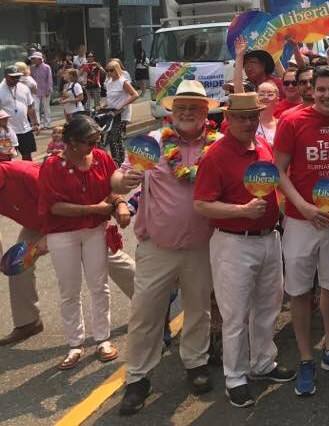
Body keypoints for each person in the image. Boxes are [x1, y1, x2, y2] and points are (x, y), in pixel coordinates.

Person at [113, 80, 222, 414]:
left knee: (199, 309)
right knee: (145, 313)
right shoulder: (154, 143)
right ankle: (137, 377)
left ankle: (195, 363)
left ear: (205, 113)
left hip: (202, 246)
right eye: (181, 108)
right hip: (157, 247)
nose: (187, 113)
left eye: (194, 108)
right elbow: (118, 178)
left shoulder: (218, 145)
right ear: (171, 112)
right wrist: (123, 183)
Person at [193, 92, 295, 408]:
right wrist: (241, 211)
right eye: (241, 117)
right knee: (235, 315)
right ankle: (235, 378)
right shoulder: (215, 155)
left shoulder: (261, 144)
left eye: (252, 116)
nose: (248, 122)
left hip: (268, 238)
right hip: (233, 242)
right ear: (228, 119)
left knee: (268, 305)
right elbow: (201, 204)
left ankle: (262, 362)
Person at [274, 66, 329, 395]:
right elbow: (279, 171)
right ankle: (306, 358)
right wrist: (304, 207)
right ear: (312, 90)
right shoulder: (292, 121)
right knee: (298, 291)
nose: (326, 95)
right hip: (300, 220)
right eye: (321, 89)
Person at [0, 158, 136, 347]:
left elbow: (67, 200)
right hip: (38, 223)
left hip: (76, 214)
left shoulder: (24, 174)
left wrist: (49, 238)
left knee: (109, 258)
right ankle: (28, 322)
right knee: (16, 263)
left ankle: (154, 301)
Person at [38, 115, 128, 369]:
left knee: (99, 286)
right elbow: (54, 206)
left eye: (97, 140)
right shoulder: (52, 166)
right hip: (62, 234)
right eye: (90, 142)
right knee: (69, 290)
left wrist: (120, 203)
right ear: (72, 143)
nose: (95, 145)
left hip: (94, 230)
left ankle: (102, 339)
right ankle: (75, 344)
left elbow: (114, 186)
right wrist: (93, 209)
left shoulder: (101, 158)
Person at [103, 59, 140, 164]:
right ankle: (121, 162)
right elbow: (110, 99)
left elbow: (135, 95)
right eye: (107, 70)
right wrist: (102, 105)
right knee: (116, 139)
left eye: (111, 70)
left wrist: (122, 105)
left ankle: (118, 162)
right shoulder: (109, 83)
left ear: (117, 70)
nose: (109, 72)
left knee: (113, 138)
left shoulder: (123, 82)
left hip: (122, 115)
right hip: (111, 114)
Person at [0, 65, 39, 161]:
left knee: (27, 156)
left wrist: (35, 123)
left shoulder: (24, 88)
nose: (16, 79)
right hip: (6, 133)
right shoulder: (0, 89)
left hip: (25, 129)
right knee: (6, 158)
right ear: (6, 76)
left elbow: (30, 107)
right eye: (13, 77)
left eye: (18, 77)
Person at [29, 52, 53, 129]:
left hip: (46, 90)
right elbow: (30, 79)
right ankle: (37, 124)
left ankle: (47, 124)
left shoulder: (47, 67)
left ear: (39, 59)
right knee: (35, 108)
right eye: (32, 59)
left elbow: (49, 79)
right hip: (35, 91)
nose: (33, 60)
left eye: (34, 58)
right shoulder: (32, 68)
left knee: (46, 108)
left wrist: (48, 89)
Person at [254, 80, 281, 146]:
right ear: (256, 99)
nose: (265, 97)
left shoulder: (281, 124)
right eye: (261, 94)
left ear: (277, 100)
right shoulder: (251, 124)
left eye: (270, 94)